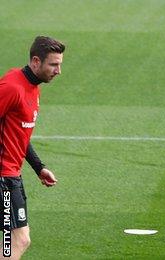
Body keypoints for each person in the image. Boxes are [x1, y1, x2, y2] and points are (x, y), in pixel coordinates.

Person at [0, 36, 61, 258]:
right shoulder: (12, 87)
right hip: (4, 177)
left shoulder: (33, 87)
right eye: (53, 64)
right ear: (36, 61)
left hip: (11, 176)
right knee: (19, 239)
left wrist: (39, 167)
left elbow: (19, 134)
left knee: (13, 240)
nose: (58, 70)